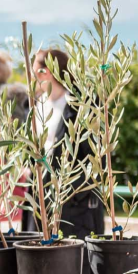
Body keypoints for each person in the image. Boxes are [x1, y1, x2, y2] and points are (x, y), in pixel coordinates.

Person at [22, 48, 104, 262]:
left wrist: (73, 194)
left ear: (46, 72)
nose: (30, 78)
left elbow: (96, 156)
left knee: (71, 264)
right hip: (40, 198)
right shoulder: (34, 106)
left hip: (72, 202)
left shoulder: (81, 105)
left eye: (34, 72)